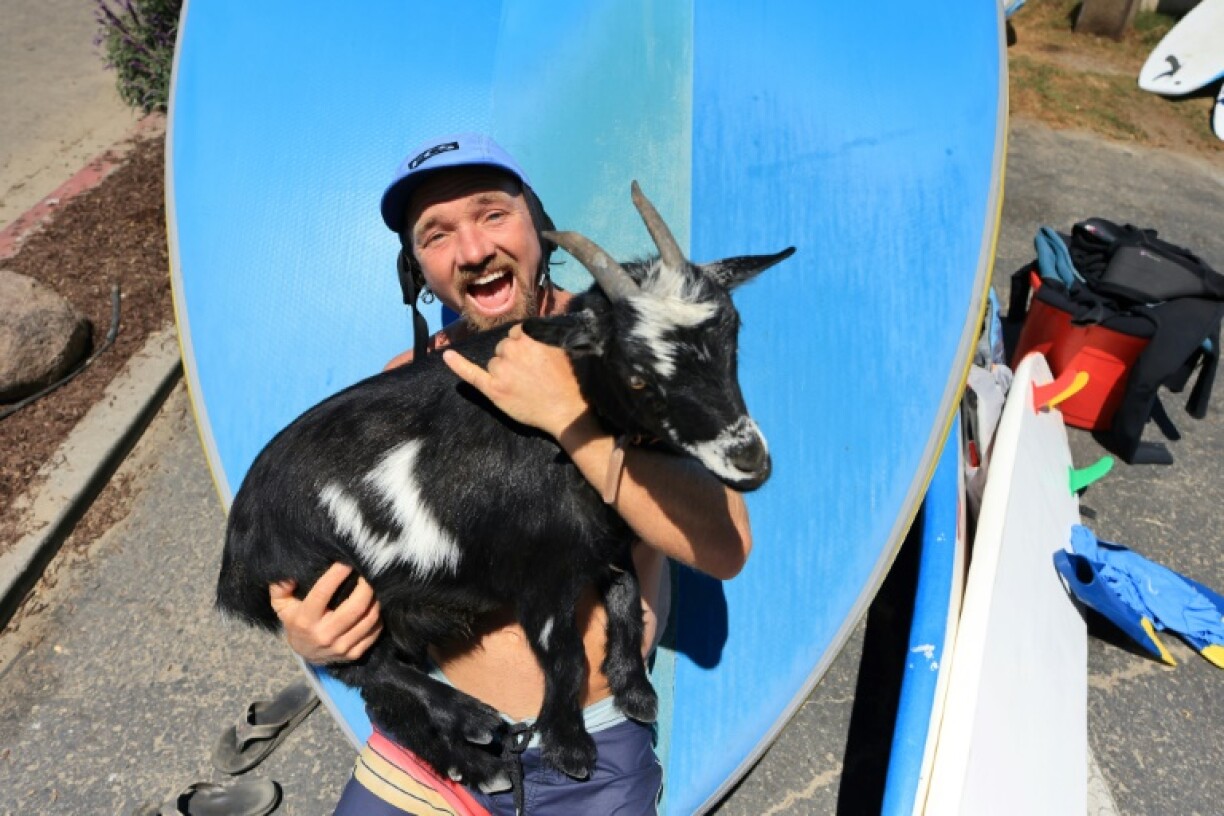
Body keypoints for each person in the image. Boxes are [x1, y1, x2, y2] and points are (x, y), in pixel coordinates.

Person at [267, 133, 753, 815]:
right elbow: (325, 568)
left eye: (493, 214)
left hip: (590, 757)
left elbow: (726, 546)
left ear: (539, 227)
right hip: (432, 750)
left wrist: (567, 415)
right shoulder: (403, 390)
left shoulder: (635, 349)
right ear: (418, 270)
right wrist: (309, 635)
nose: (471, 249)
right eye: (437, 234)